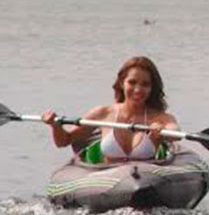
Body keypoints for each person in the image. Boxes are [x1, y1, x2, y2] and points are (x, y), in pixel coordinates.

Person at [41, 56, 179, 162]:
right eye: (132, 82)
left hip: (147, 179)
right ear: (121, 83)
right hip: (109, 181)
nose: (138, 89)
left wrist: (163, 130)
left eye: (145, 84)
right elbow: (64, 141)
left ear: (151, 88)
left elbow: (175, 132)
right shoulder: (103, 114)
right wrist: (55, 125)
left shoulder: (161, 118)